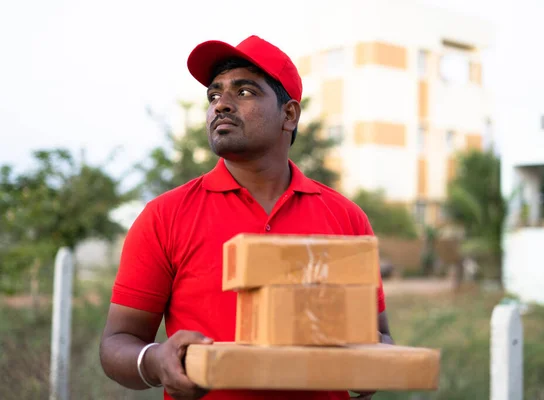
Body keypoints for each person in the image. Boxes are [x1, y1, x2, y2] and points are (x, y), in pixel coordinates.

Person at [99, 35, 394, 400]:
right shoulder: (165, 215)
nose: (221, 105)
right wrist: (157, 359)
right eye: (214, 95)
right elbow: (117, 342)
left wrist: (370, 363)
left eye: (244, 92)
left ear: (289, 115)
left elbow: (378, 334)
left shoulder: (346, 217)